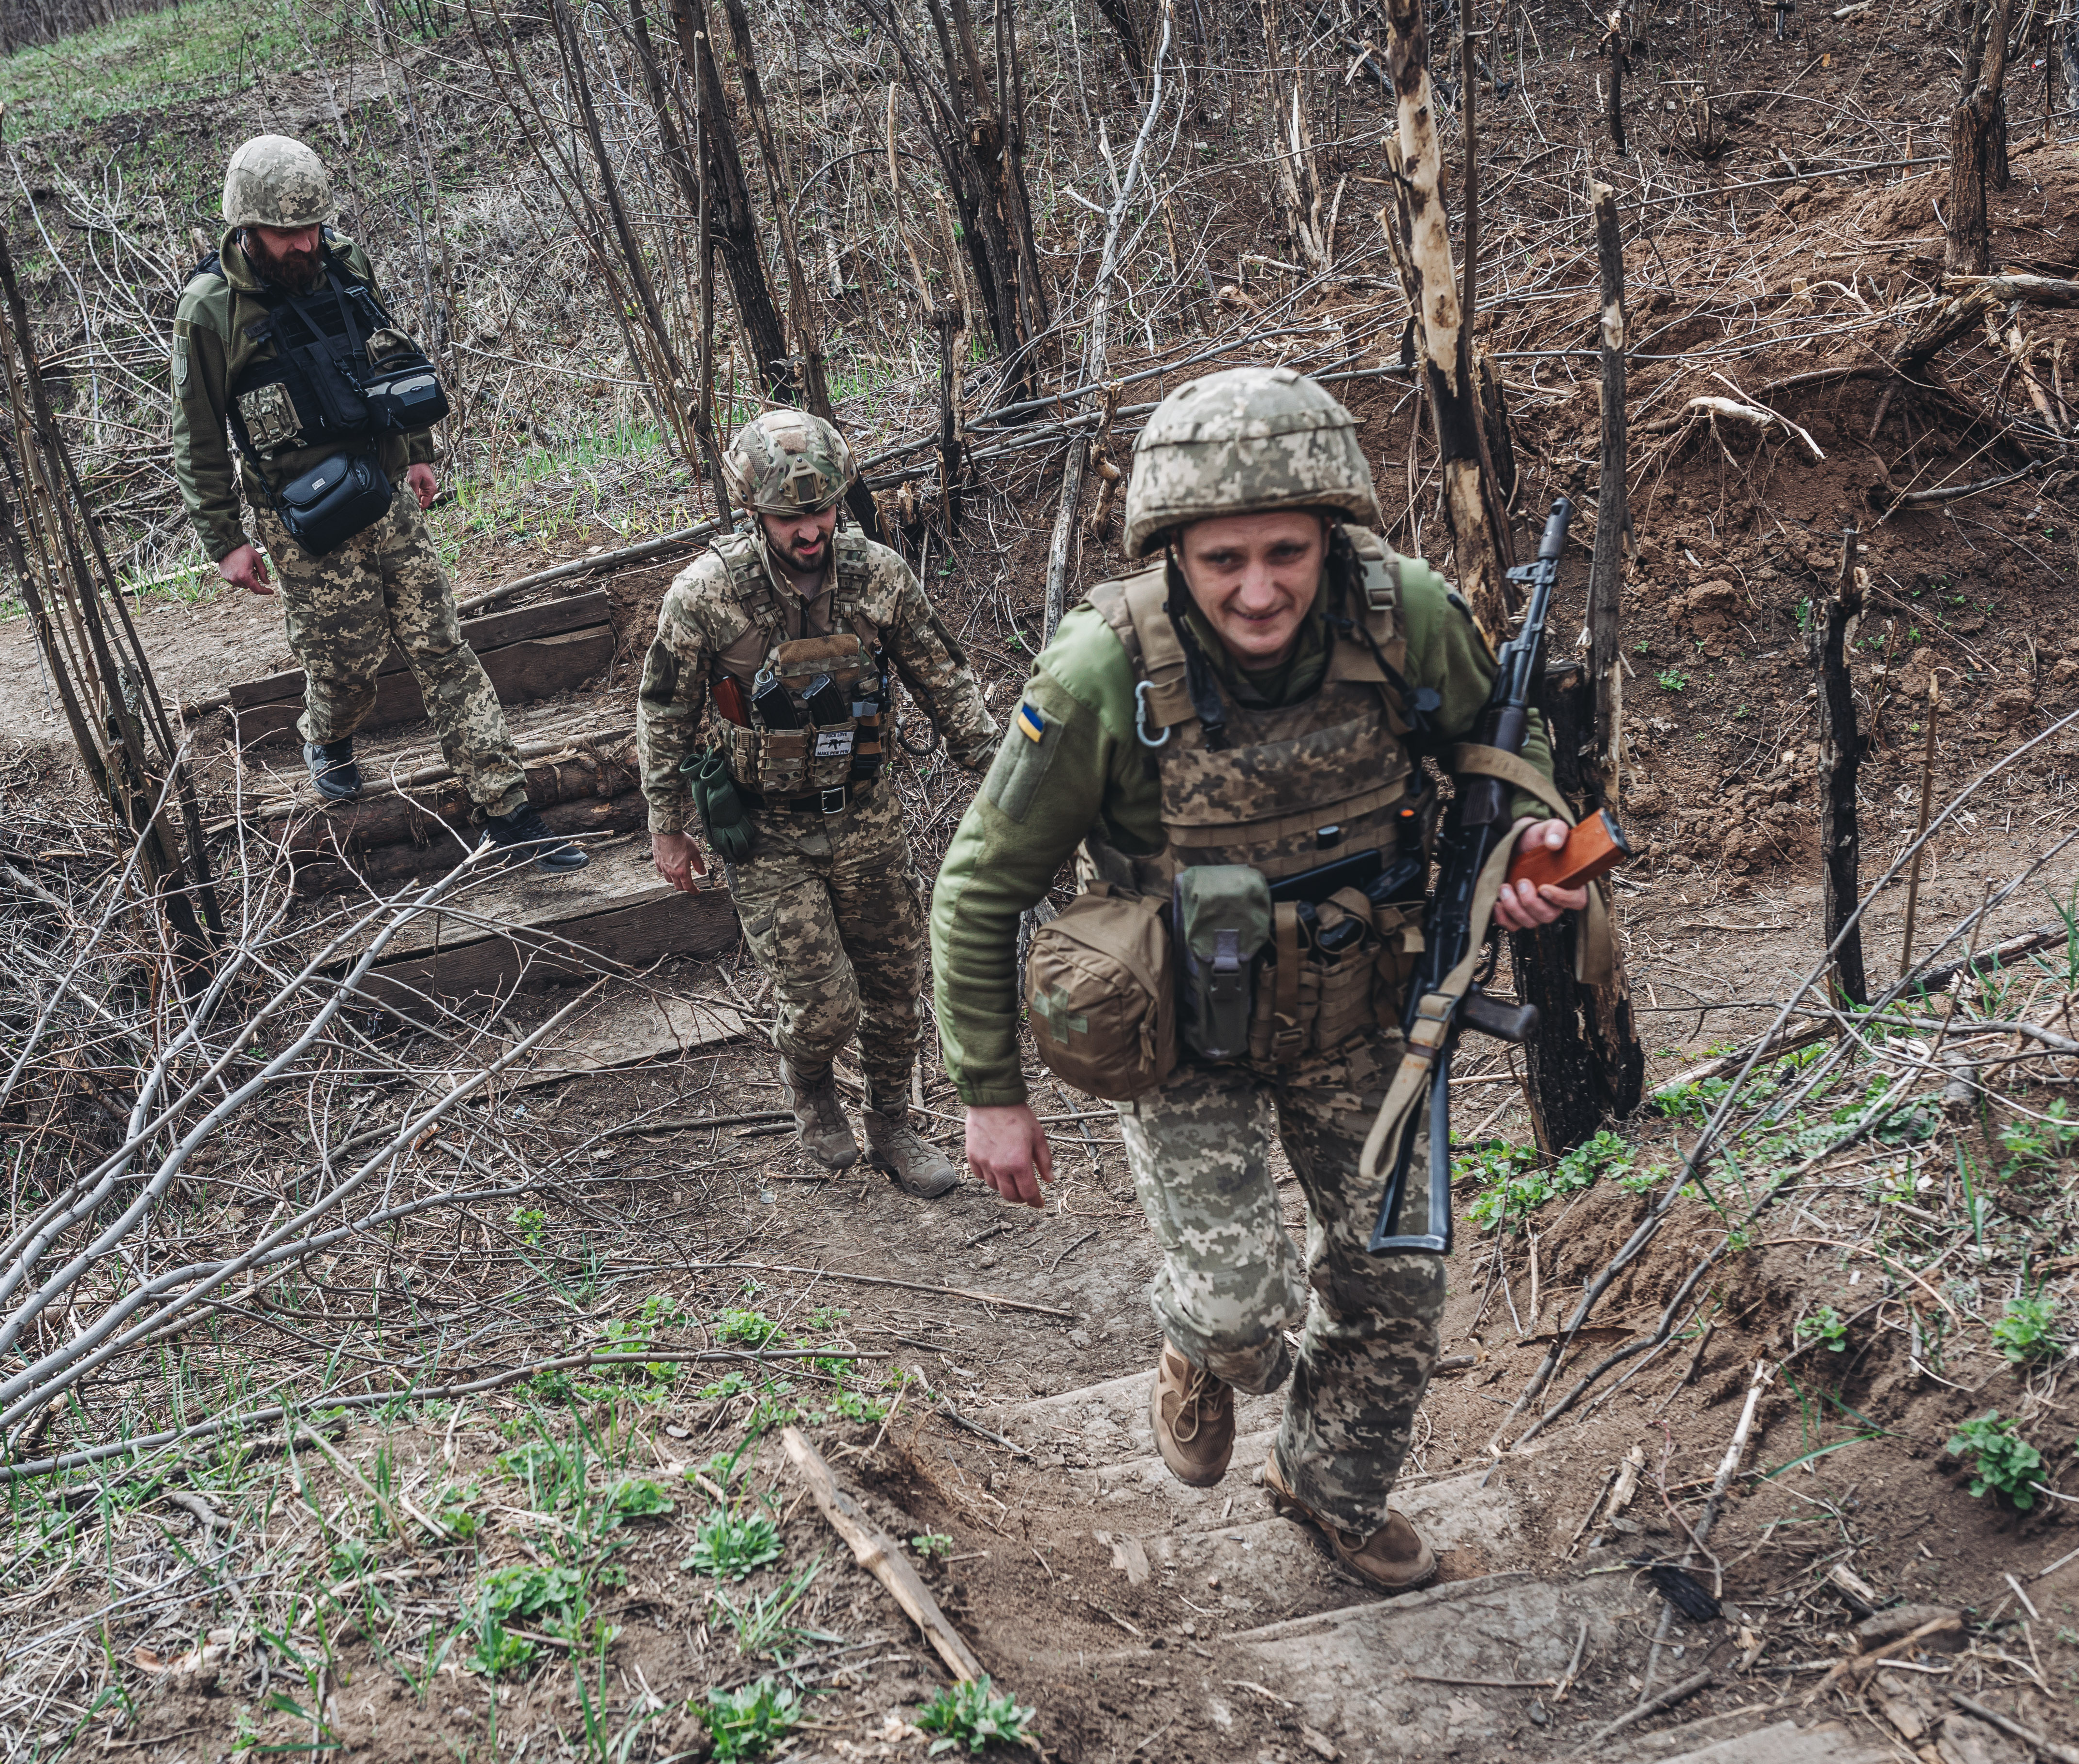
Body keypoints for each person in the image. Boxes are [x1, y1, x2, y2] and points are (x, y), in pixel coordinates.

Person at [926, 367, 1590, 1591]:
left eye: (1287, 551)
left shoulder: (1405, 615)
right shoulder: (1099, 669)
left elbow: (1505, 737)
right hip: (1185, 1033)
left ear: (1330, 534)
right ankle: (1194, 1342)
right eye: (1222, 558)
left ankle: (1331, 1491)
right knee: (1243, 1313)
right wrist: (991, 1093)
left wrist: (1532, 838)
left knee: (1396, 1278)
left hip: (1367, 1012)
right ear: (1173, 548)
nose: (1260, 588)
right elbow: (979, 884)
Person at [170, 133, 583, 870]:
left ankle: (508, 812)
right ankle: (326, 734)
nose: (304, 245)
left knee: (441, 648)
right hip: (303, 523)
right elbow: (195, 432)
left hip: (383, 489)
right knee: (349, 666)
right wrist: (224, 538)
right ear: (247, 229)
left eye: (313, 228)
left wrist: (417, 454)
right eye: (287, 233)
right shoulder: (211, 312)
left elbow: (388, 360)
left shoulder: (344, 264)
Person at [638, 410, 1000, 1195]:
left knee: (894, 988)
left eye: (823, 509)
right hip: (766, 827)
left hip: (865, 810)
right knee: (824, 1005)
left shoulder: (877, 576)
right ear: (754, 513)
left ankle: (893, 1125)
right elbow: (663, 710)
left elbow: (942, 676)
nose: (811, 530)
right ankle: (809, 1084)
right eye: (790, 516)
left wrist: (1000, 775)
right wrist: (667, 826)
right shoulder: (706, 595)